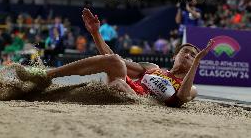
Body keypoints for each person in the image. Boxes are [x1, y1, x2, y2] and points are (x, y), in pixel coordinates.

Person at [13, 8, 215, 108]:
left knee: (120, 84)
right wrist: (95, 34)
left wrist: (197, 63)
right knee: (117, 62)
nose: (188, 55)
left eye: (193, 56)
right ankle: (46, 76)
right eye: (185, 52)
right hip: (123, 85)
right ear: (174, 56)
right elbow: (111, 59)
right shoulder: (154, 68)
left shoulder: (190, 87)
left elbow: (181, 98)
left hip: (138, 101)